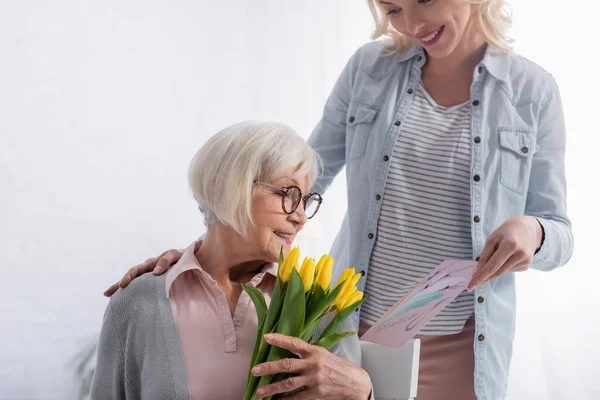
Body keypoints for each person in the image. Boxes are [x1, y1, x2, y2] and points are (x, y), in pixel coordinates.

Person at [106, 1, 573, 398]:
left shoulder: (532, 92)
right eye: (391, 8)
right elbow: (302, 180)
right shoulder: (369, 70)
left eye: (424, 0)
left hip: (464, 343)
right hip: (352, 332)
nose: (411, 24)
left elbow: (559, 230)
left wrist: (532, 231)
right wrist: (204, 255)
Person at [92, 121, 373, 399]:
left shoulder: (323, 307)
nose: (299, 217)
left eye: (306, 200)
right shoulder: (137, 304)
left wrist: (363, 393)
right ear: (223, 187)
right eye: (288, 194)